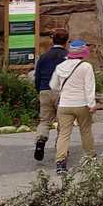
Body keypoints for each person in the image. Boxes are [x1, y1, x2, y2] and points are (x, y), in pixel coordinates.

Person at [49, 39, 97, 174]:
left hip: (64, 105)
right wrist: (92, 104)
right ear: (83, 53)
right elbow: (89, 87)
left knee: (64, 134)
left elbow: (53, 86)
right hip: (82, 104)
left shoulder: (60, 66)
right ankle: (90, 158)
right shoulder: (86, 67)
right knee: (86, 131)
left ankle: (60, 163)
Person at [31, 28, 69, 162]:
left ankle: (40, 141)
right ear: (66, 41)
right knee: (63, 122)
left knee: (45, 121)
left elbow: (37, 76)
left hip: (45, 90)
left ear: (52, 41)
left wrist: (39, 90)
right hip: (62, 92)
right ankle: (61, 147)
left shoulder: (44, 56)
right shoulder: (68, 57)